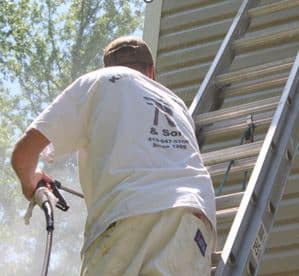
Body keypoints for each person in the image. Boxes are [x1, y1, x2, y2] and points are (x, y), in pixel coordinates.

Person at [11, 36, 216, 275]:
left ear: (108, 67)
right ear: (151, 71)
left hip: (127, 216)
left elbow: (23, 154)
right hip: (193, 220)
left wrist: (30, 182)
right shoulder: (176, 104)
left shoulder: (101, 81)